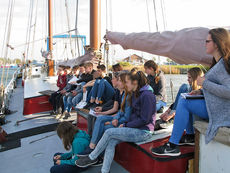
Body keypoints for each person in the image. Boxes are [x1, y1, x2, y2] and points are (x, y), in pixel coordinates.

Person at [151, 28, 230, 156]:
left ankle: (173, 145)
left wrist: (205, 84)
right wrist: (200, 92)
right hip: (214, 107)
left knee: (184, 103)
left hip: (221, 112)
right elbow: (216, 88)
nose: (205, 44)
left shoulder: (224, 65)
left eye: (207, 41)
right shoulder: (217, 63)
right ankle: (189, 136)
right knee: (186, 98)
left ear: (217, 43)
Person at [75, 71, 156, 173]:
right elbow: (132, 115)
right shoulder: (136, 94)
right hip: (134, 128)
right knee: (111, 142)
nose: (125, 85)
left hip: (144, 132)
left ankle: (92, 157)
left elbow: (145, 119)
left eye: (127, 82)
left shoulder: (147, 96)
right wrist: (124, 123)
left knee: (109, 132)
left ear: (135, 82)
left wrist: (126, 124)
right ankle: (105, 171)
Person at [78, 73, 131, 156]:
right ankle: (92, 144)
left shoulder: (128, 96)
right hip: (117, 116)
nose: (113, 81)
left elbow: (125, 115)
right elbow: (117, 109)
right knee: (98, 118)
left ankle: (95, 150)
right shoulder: (120, 92)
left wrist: (112, 120)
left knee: (104, 127)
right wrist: (102, 112)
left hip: (121, 120)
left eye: (119, 80)